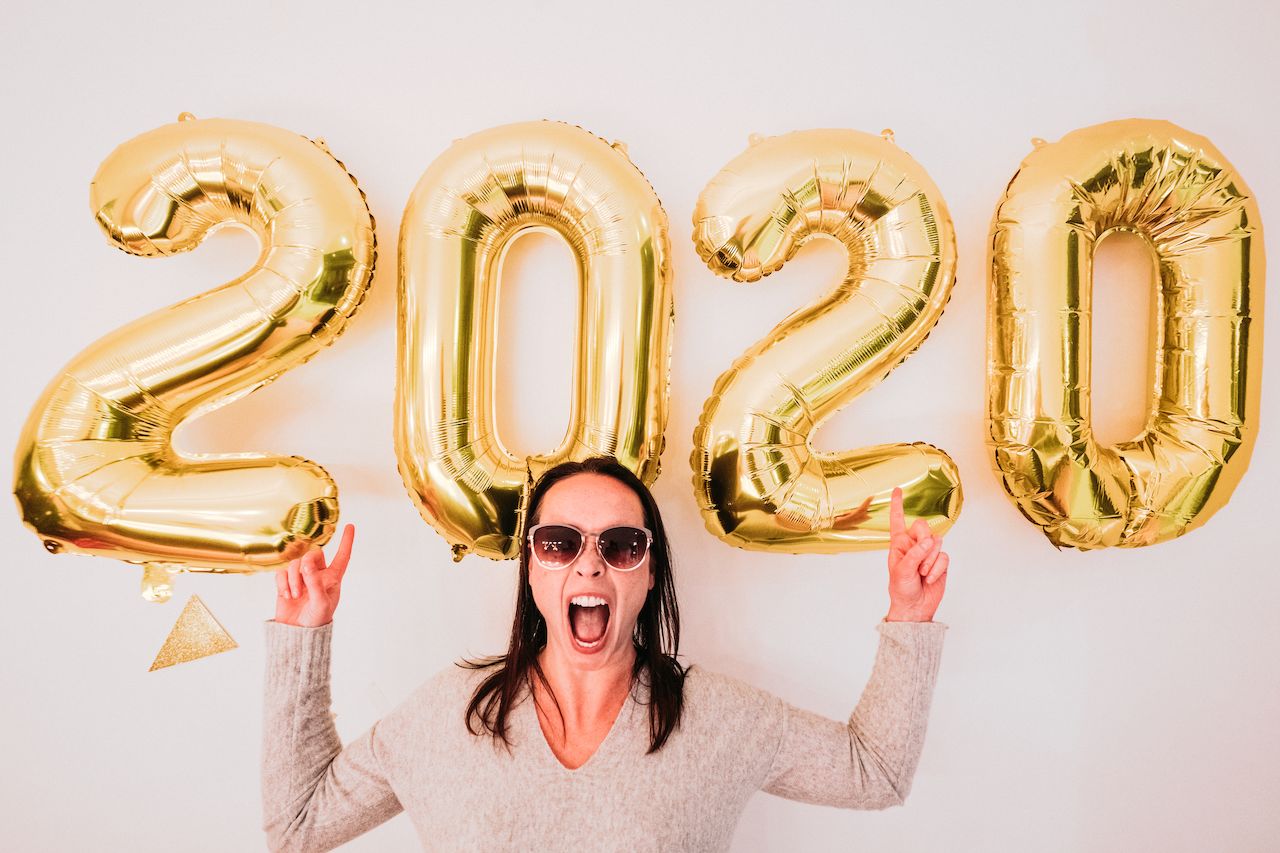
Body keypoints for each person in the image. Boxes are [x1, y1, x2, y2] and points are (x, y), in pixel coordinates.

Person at [262, 456, 950, 852]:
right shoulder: (448, 715)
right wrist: (304, 635)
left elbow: (875, 773)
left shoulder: (719, 718)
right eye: (561, 542)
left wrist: (908, 615)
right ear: (532, 568)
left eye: (620, 545)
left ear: (648, 573)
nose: (589, 565)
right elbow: (298, 823)